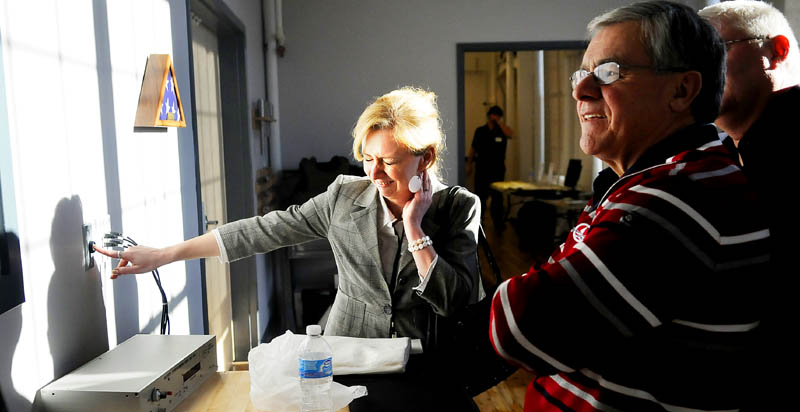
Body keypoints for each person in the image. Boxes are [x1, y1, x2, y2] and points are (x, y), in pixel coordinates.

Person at [489, 2, 770, 411]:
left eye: (608, 72)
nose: (579, 90)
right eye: (581, 73)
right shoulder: (646, 181)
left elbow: (522, 327)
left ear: (681, 90)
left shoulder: (679, 195)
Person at [95, 87, 481, 347]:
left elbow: (455, 301)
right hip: (349, 352)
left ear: (425, 157)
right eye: (368, 158)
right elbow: (263, 230)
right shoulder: (344, 196)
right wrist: (164, 255)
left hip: (425, 360)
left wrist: (414, 229)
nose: (375, 173)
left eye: (390, 161)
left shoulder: (458, 207)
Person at [699, 1, 800, 408]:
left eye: (716, 51)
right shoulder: (733, 150)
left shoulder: (784, 145)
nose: (699, 73)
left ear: (775, 51)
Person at [467, 105, 514, 222]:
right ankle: (479, 221)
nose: (495, 117)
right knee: (480, 196)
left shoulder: (502, 130)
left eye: (498, 116)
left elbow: (510, 134)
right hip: (482, 167)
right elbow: (473, 149)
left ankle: (498, 221)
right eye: (493, 115)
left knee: (497, 197)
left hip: (497, 169)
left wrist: (500, 123)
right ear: (489, 116)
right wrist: (469, 164)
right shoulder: (480, 131)